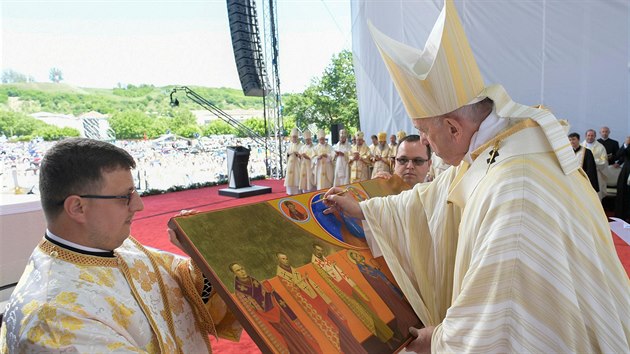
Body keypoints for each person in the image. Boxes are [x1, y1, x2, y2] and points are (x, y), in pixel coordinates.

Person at [324, 1, 630, 352]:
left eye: (424, 131)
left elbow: (501, 313)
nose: (424, 141)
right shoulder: (502, 147)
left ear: (454, 127)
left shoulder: (516, 187)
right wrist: (368, 210)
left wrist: (438, 340)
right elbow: (436, 196)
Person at [0, 138, 242, 352]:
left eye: (135, 192)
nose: (139, 205)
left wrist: (202, 256)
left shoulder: (117, 246)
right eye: (125, 196)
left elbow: (178, 284)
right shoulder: (54, 318)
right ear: (77, 208)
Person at [229, 262, 321, 354]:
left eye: (242, 269)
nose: (241, 271)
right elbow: (252, 312)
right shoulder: (239, 291)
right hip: (269, 320)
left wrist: (270, 293)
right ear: (234, 274)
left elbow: (267, 293)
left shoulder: (255, 281)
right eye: (238, 270)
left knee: (294, 332)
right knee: (285, 339)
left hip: (278, 311)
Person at [582, 128, 608, 199]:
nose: (590, 137)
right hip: (583, 173)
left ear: (595, 136)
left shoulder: (600, 147)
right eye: (588, 135)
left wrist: (591, 161)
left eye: (592, 135)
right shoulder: (581, 146)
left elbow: (603, 161)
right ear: (585, 136)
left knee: (596, 193)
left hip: (596, 173)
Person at [284, 128, 303, 195]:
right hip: (290, 164)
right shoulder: (290, 145)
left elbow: (302, 156)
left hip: (297, 164)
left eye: (295, 137)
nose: (294, 138)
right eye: (292, 137)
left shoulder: (301, 145)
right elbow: (286, 154)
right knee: (290, 178)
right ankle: (289, 191)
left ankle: (297, 191)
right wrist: (288, 154)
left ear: (297, 137)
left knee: (296, 177)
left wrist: (298, 154)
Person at [615, 136, 630, 221]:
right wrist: (626, 144)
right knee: (624, 193)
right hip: (627, 171)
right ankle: (624, 216)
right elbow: (618, 155)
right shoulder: (627, 145)